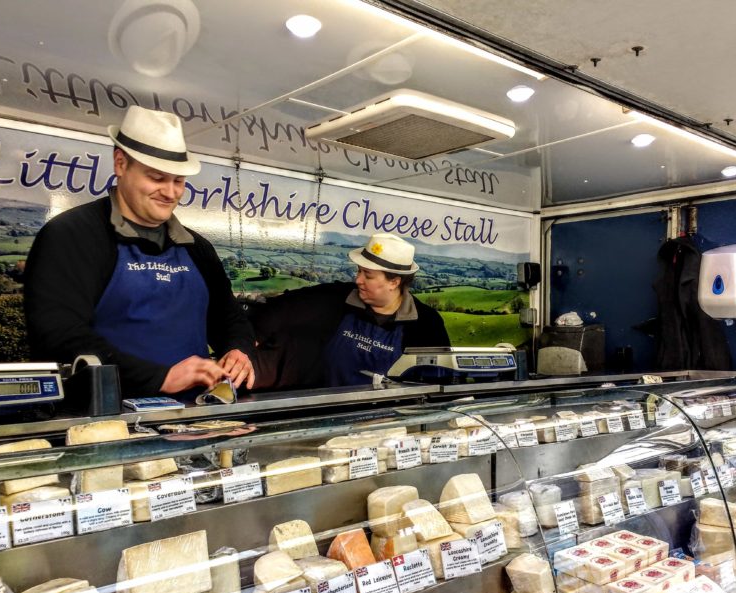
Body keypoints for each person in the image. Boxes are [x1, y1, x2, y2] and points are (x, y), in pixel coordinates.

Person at [24, 106, 256, 397]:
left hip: (194, 418)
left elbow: (229, 318)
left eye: (179, 181)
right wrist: (160, 377)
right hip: (105, 418)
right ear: (120, 164)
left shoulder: (197, 248)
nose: (170, 193)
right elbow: (59, 336)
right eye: (157, 178)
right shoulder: (71, 235)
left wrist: (238, 350)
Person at [253, 233, 450, 389]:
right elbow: (285, 307)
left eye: (368, 275)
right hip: (326, 414)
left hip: (385, 427)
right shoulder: (339, 298)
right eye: (359, 271)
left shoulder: (426, 324)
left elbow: (437, 383)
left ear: (394, 281)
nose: (358, 280)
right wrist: (248, 338)